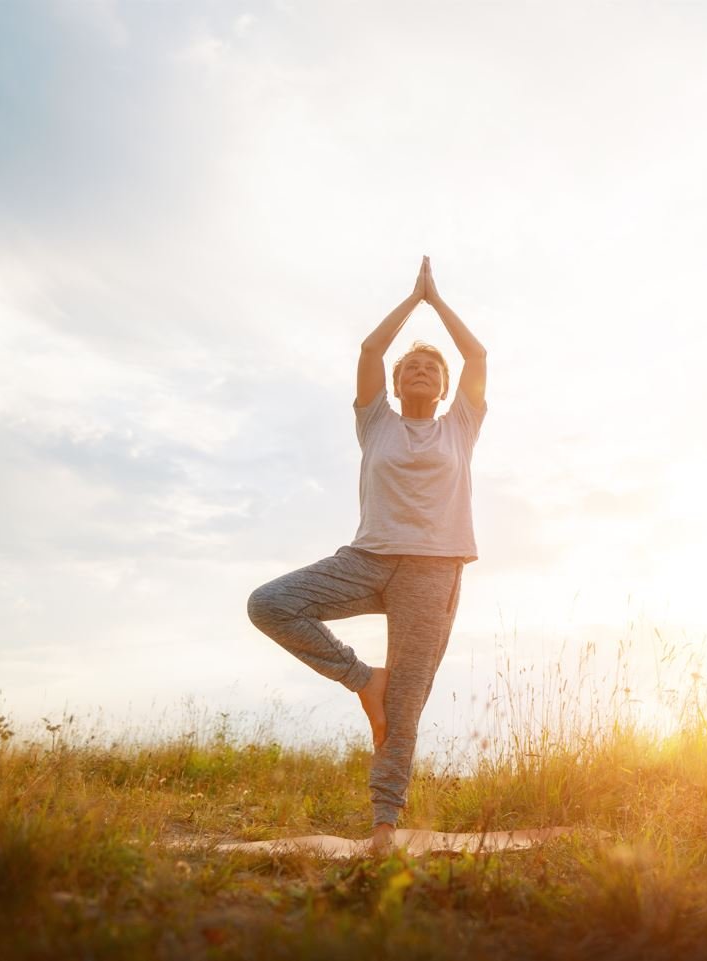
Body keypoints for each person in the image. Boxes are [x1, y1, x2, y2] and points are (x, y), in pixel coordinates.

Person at [247, 255, 487, 854]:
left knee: (404, 707)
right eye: (414, 366)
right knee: (270, 603)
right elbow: (370, 351)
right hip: (367, 559)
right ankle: (362, 680)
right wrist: (412, 301)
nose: (423, 370)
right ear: (398, 380)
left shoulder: (461, 425)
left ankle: (384, 826)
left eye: (433, 367)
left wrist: (440, 302)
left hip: (433, 571)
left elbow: (478, 358)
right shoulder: (374, 420)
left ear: (445, 385)